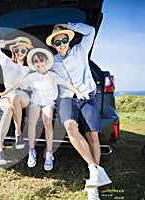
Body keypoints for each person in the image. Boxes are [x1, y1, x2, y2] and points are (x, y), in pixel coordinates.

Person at [0, 48, 89, 171]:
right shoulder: (32, 77)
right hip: (35, 102)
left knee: (48, 122)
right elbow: (16, 86)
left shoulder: (53, 75)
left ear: (46, 61)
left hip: (49, 103)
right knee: (32, 123)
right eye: (36, 61)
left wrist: (79, 92)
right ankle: (31, 151)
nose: (39, 63)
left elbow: (67, 84)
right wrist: (4, 93)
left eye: (41, 60)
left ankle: (49, 153)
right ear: (33, 63)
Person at [46, 22, 112, 198]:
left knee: (93, 135)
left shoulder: (81, 50)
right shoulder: (52, 62)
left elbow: (90, 31)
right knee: (69, 126)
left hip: (87, 97)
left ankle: (93, 185)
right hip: (67, 98)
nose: (62, 44)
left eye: (64, 39)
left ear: (69, 39)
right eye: (57, 42)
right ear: (53, 44)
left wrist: (68, 25)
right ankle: (93, 168)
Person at [0, 37, 34, 165]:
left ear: (27, 53)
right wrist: (14, 41)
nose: (19, 53)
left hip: (23, 96)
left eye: (23, 50)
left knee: (15, 97)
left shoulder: (30, 68)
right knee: (8, 108)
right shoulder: (6, 62)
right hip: (6, 96)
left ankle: (18, 132)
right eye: (17, 50)